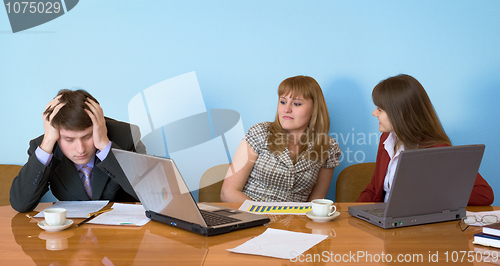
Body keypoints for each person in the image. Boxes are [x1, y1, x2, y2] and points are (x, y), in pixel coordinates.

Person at [357, 74, 494, 205]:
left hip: (414, 225)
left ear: (400, 113)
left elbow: (484, 194)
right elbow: (375, 188)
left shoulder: (437, 150)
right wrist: (351, 215)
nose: (374, 113)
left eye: (380, 109)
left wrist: (429, 191)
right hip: (382, 221)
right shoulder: (386, 139)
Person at [10, 89, 146, 213]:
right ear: (56, 134)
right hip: (70, 235)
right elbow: (21, 204)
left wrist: (105, 146)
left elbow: (151, 195)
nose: (81, 149)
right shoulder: (46, 147)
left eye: (87, 136)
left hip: (123, 233)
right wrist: (47, 143)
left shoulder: (127, 136)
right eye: (69, 139)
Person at [220, 75, 341, 202]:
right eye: (283, 102)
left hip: (297, 220)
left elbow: (316, 203)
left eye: (297, 103)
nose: (286, 109)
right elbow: (228, 193)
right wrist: (266, 216)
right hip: (252, 216)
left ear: (314, 109)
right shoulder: (260, 132)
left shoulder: (328, 147)